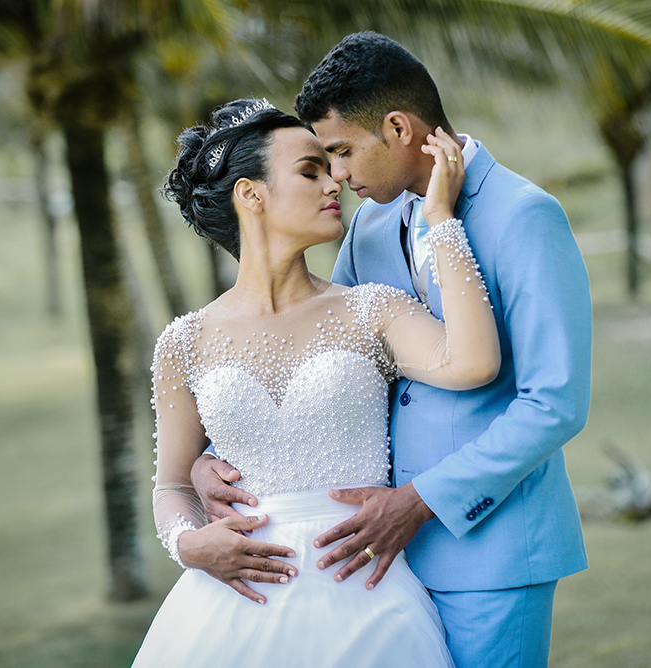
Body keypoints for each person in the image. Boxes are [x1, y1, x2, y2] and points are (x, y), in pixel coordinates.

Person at [193, 33, 592, 668]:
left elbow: (554, 405)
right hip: (377, 562)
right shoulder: (370, 227)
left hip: (488, 552)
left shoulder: (524, 217)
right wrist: (210, 462)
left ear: (399, 128)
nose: (338, 176)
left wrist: (421, 500)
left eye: (342, 152)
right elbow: (327, 357)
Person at [130, 97, 500, 667]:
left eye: (330, 167)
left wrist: (442, 220)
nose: (335, 183)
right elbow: (173, 486)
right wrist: (189, 544)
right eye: (311, 171)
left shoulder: (371, 310)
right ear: (250, 195)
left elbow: (474, 362)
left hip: (365, 601)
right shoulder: (184, 342)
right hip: (230, 609)